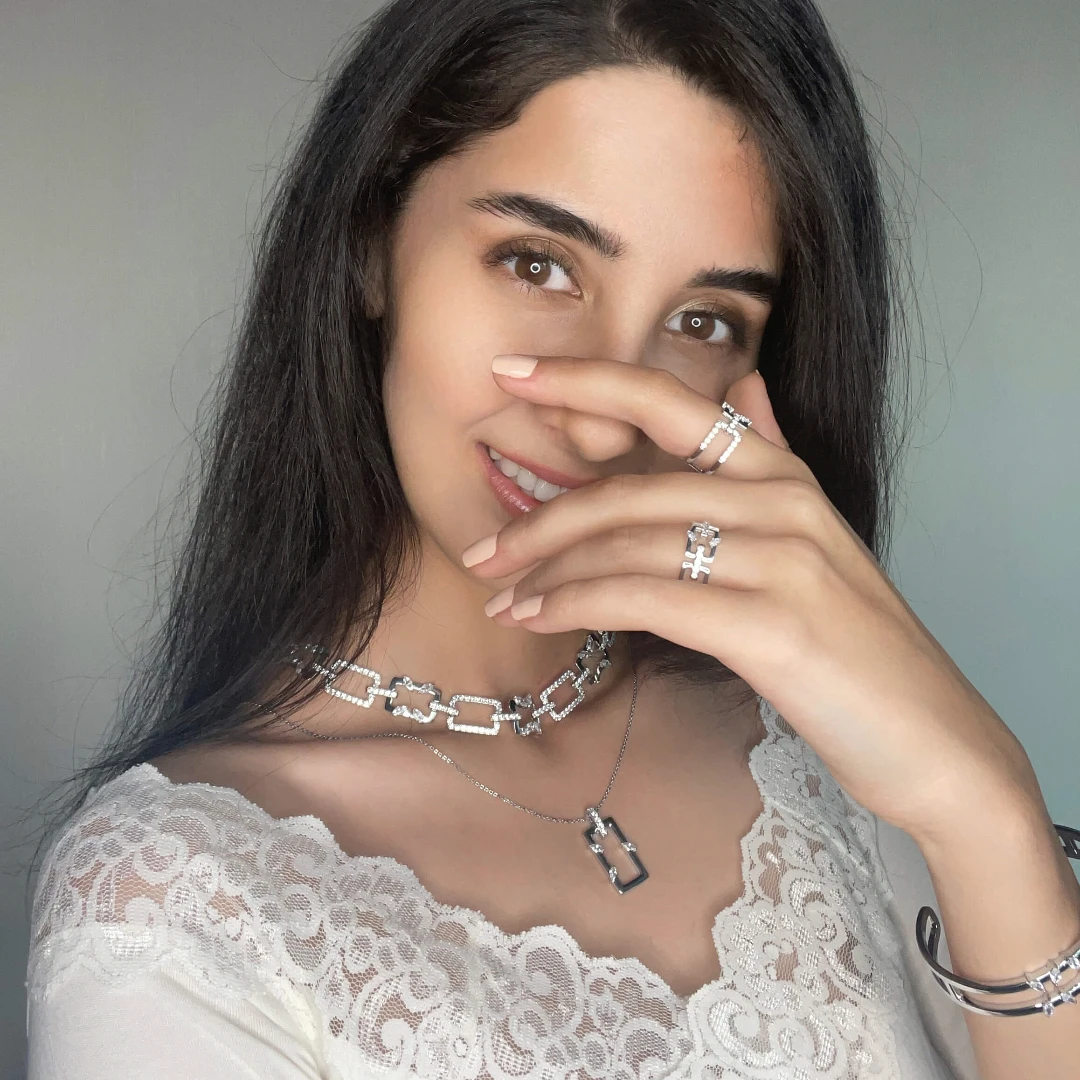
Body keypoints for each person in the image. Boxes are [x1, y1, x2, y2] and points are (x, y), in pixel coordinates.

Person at [23, 0, 1080, 1077]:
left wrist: (983, 807)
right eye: (537, 264)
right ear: (372, 242)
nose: (603, 422)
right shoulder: (174, 903)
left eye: (702, 322)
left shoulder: (822, 733)